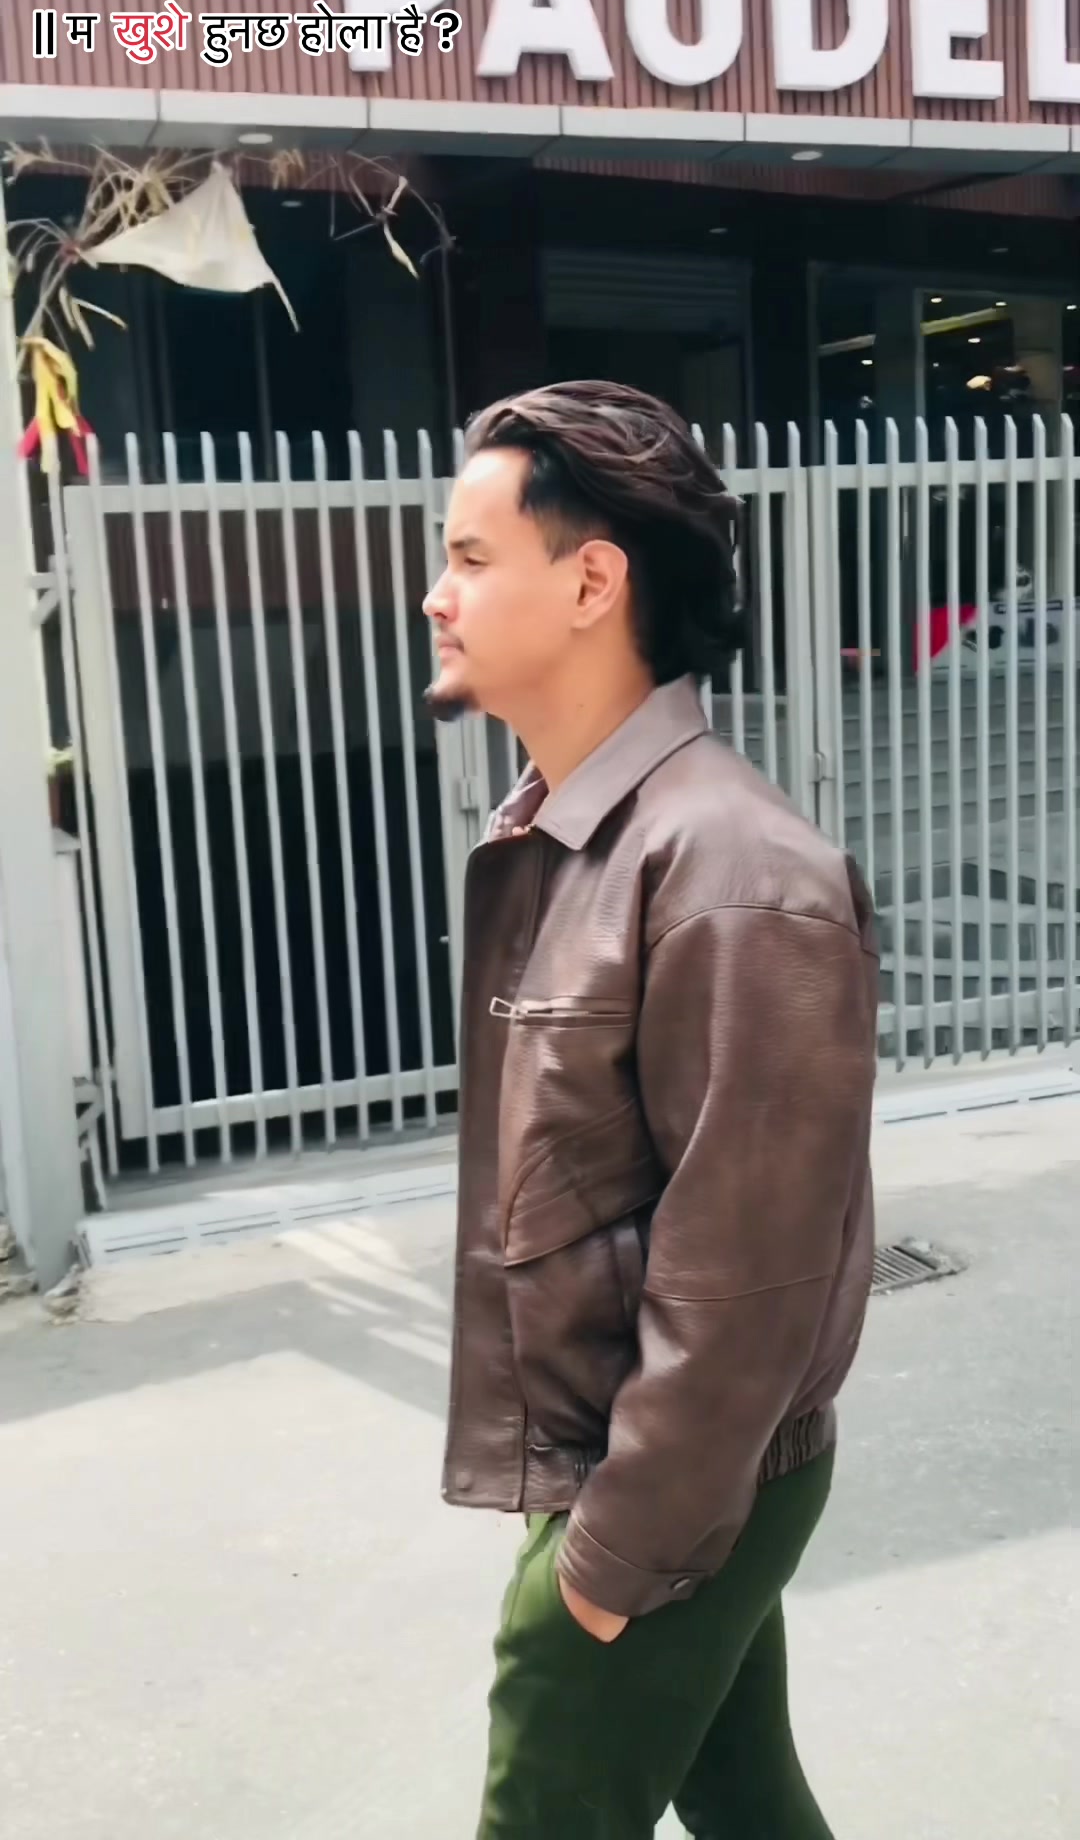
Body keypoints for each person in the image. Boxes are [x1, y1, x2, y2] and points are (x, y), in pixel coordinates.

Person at [422, 381, 878, 1839]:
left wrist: (610, 1559)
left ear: (592, 583)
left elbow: (751, 1276)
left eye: (471, 558)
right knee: (750, 1803)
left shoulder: (734, 874)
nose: (437, 597)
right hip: (643, 1461)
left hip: (662, 1481)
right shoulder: (576, 834)